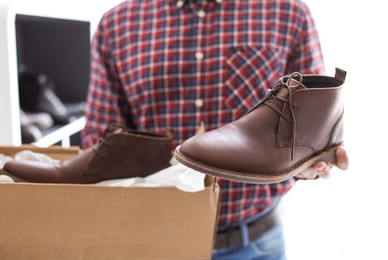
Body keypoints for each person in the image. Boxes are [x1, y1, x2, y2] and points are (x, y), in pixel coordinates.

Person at [81, 0, 349, 259]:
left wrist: (307, 162)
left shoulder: (287, 11)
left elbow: (313, 119)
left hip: (255, 243)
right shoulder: (117, 24)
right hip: (151, 240)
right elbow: (103, 139)